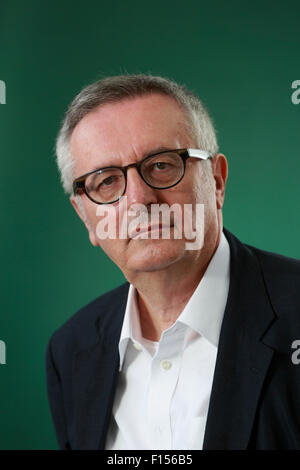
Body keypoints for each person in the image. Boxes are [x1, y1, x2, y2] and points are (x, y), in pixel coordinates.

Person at [46, 74, 300, 450]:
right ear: (86, 217)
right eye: (107, 182)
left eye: (162, 165)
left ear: (216, 180)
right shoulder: (70, 352)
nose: (139, 200)